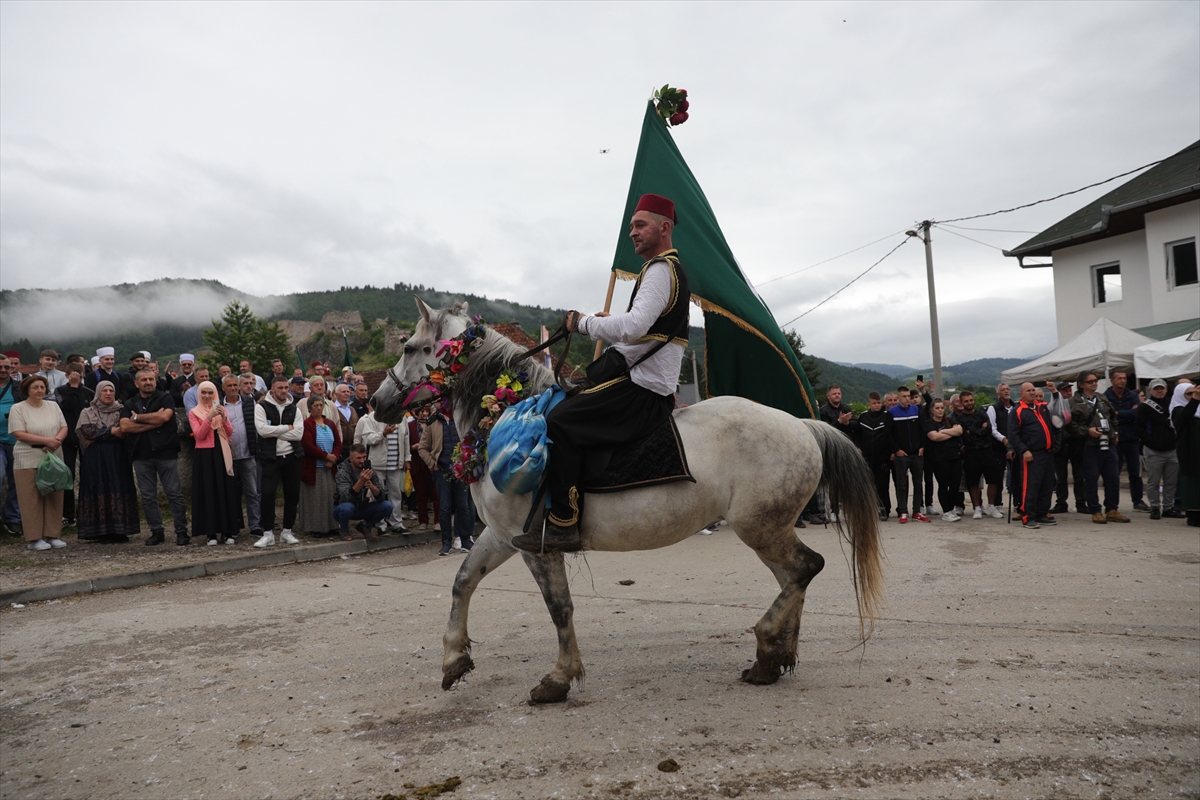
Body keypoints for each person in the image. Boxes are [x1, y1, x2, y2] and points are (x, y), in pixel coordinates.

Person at [513, 193, 687, 552]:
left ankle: (564, 523)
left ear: (664, 227)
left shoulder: (659, 270)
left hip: (641, 389)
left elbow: (635, 325)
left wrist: (584, 324)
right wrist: (610, 323)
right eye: (631, 227)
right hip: (641, 381)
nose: (632, 233)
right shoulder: (666, 270)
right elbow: (642, 328)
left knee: (560, 421)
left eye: (640, 225)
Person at [121, 369, 190, 545]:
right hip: (141, 455)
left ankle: (181, 531)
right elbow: (125, 427)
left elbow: (166, 417)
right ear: (137, 383)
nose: (148, 382)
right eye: (144, 379)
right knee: (148, 496)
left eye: (151, 379)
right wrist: (154, 421)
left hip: (166, 452)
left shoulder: (165, 398)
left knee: (174, 494)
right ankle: (156, 531)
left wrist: (137, 418)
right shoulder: (129, 403)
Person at [8, 375, 69, 550]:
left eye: (42, 387)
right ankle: (34, 538)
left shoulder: (53, 406)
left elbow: (64, 427)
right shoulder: (18, 408)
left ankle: (53, 535)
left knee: (54, 496)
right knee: (31, 499)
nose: (39, 390)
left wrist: (55, 440)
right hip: (28, 457)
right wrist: (46, 441)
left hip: (53, 456)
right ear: (27, 389)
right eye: (35, 387)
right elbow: (19, 433)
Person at [75, 381, 140, 542]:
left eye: (111, 390)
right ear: (98, 392)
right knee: (98, 487)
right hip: (95, 458)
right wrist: (113, 431)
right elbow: (88, 432)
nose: (108, 393)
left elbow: (125, 431)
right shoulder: (87, 411)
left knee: (118, 486)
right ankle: (99, 531)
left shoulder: (121, 410)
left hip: (117, 456)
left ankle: (120, 530)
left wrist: (103, 434)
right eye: (105, 390)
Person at [1067, 371, 1129, 525]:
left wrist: (1115, 433)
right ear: (1081, 384)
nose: (1094, 384)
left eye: (1095, 381)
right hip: (1089, 446)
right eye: (1090, 382)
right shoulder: (1073, 402)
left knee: (1113, 478)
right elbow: (1070, 426)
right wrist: (1087, 431)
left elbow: (1113, 418)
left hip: (1108, 444)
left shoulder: (1102, 398)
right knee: (1091, 479)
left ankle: (1112, 510)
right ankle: (1095, 510)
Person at [185, 381, 240, 545]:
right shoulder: (194, 412)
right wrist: (209, 418)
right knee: (208, 491)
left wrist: (223, 418)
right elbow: (199, 434)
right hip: (205, 454)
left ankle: (228, 531)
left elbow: (229, 432)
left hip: (221, 450)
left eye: (210, 393)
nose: (207, 396)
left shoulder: (221, 409)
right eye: (204, 393)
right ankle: (211, 533)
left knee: (226, 489)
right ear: (199, 394)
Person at [254, 376, 304, 547]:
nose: (283, 391)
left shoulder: (294, 409)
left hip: (292, 457)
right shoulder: (261, 407)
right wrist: (286, 428)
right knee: (267, 495)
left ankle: (287, 531)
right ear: (272, 389)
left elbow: (298, 434)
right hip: (270, 458)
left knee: (292, 495)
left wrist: (274, 431)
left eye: (285, 388)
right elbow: (262, 430)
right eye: (280, 388)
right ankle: (268, 533)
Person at [419, 404, 474, 555]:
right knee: (444, 508)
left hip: (461, 470)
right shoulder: (432, 422)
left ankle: (466, 540)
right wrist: (433, 464)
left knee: (463, 506)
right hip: (441, 470)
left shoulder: (461, 419)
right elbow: (422, 448)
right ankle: (446, 542)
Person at [1008, 382, 1059, 529]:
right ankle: (1027, 516)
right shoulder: (1017, 411)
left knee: (1047, 485)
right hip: (1031, 454)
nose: (1032, 392)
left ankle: (1041, 513)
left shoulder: (1042, 407)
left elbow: (1058, 407)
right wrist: (1024, 450)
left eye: (1033, 390)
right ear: (1021, 394)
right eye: (1028, 390)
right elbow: (1013, 435)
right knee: (1031, 486)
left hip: (1047, 453)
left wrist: (1054, 391)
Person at [355, 397, 409, 533]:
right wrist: (383, 433)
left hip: (396, 463)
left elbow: (406, 439)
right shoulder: (373, 417)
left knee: (396, 494)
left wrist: (407, 459)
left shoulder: (401, 417)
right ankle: (380, 524)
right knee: (377, 494)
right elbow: (368, 439)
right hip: (378, 463)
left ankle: (397, 523)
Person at [222, 374, 263, 539]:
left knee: (252, 492)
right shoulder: (219, 405)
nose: (232, 388)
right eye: (229, 385)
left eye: (234, 385)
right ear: (223, 387)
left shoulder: (248, 403)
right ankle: (234, 526)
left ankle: (255, 525)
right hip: (229, 457)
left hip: (248, 454)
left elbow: (255, 426)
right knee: (232, 494)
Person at [954, 390, 1004, 520]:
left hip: (987, 450)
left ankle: (991, 506)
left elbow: (988, 430)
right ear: (961, 402)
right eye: (966, 401)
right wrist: (979, 430)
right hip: (971, 452)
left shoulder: (982, 413)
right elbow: (966, 437)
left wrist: (973, 431)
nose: (969, 403)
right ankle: (977, 507)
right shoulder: (959, 419)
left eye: (971, 400)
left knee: (993, 480)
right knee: (973, 481)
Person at [53, 363, 93, 526]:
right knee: (68, 476)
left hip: (86, 439)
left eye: (79, 373)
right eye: (73, 373)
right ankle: (68, 515)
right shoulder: (60, 391)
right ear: (67, 375)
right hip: (67, 439)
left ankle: (86, 512)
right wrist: (74, 387)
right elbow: (67, 406)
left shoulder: (89, 393)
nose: (76, 376)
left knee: (88, 476)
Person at [1137, 379, 1183, 520]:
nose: (1159, 391)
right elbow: (1139, 428)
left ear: (1166, 389)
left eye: (1161, 388)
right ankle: (1155, 507)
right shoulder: (1144, 407)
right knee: (1153, 481)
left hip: (1172, 449)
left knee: (1171, 482)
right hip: (1153, 451)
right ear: (1150, 390)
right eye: (1156, 388)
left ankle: (1168, 507)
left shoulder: (1173, 403)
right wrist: (1151, 442)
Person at [1104, 370, 1149, 512]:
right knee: (1113, 474)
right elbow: (1108, 416)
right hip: (1115, 440)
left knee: (1135, 472)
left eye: (1124, 378)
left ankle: (1138, 501)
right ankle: (1112, 504)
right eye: (1119, 378)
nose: (1122, 381)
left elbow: (1137, 413)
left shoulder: (1132, 395)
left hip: (1132, 439)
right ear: (1112, 380)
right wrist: (1127, 413)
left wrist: (1118, 413)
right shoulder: (1106, 396)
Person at [298, 395, 341, 538]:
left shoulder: (329, 423)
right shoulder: (307, 424)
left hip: (329, 467)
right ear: (309, 408)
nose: (318, 408)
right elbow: (308, 446)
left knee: (330, 497)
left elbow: (338, 443)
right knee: (315, 499)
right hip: (314, 467)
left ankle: (332, 525)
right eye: (315, 405)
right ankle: (315, 527)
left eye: (320, 405)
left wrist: (333, 458)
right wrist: (325, 456)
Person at [851, 392, 895, 521]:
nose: (877, 405)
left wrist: (893, 451)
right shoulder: (863, 417)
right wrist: (858, 446)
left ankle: (884, 509)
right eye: (874, 403)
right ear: (869, 404)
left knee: (882, 484)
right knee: (868, 484)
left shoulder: (887, 416)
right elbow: (857, 434)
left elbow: (892, 435)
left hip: (883, 457)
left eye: (879, 403)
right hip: (867, 457)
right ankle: (869, 509)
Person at [334, 444, 393, 540]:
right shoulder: (343, 472)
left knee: (387, 506)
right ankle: (344, 529)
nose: (362, 461)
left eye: (364, 457)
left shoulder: (369, 469)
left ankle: (365, 526)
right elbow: (345, 497)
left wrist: (372, 487)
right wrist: (361, 481)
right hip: (343, 507)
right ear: (351, 458)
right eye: (358, 458)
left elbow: (381, 496)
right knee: (347, 508)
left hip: (362, 506)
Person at [889, 387, 930, 523]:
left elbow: (922, 429)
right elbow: (888, 434)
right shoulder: (891, 412)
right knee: (902, 484)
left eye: (909, 396)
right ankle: (903, 511)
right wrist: (896, 450)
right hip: (902, 454)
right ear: (898, 398)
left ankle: (917, 510)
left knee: (918, 483)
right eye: (904, 396)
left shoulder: (916, 410)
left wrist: (922, 446)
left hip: (917, 453)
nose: (908, 399)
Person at [1044, 380, 1083, 514]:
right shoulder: (1053, 406)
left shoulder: (1076, 404)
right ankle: (1061, 503)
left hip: (1075, 442)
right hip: (1060, 444)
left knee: (1079, 475)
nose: (1069, 392)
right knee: (1061, 477)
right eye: (1065, 390)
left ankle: (1081, 502)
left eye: (1069, 390)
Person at [922, 398, 963, 521]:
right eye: (937, 408)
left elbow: (959, 431)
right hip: (939, 459)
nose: (940, 410)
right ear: (932, 410)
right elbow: (934, 437)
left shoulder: (949, 420)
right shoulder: (928, 423)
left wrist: (944, 431)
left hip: (954, 456)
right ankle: (946, 511)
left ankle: (951, 509)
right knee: (944, 484)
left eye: (941, 408)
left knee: (955, 484)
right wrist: (951, 432)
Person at [1171, 382, 1200, 527]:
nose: (1192, 396)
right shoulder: (1178, 410)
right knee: (1192, 482)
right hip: (1190, 452)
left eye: (1193, 393)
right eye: (1189, 394)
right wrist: (1195, 400)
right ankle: (1193, 515)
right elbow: (1184, 418)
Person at [408, 405, 439, 531]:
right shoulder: (410, 426)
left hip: (432, 462)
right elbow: (405, 444)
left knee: (436, 493)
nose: (424, 414)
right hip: (417, 462)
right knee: (420, 494)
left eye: (426, 411)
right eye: (421, 411)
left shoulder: (433, 424)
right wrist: (412, 447)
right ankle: (423, 521)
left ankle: (438, 520)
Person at [0, 354, 22, 533]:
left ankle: (13, 517)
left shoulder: (18, 387)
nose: (3, 370)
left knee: (17, 481)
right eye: (0, 367)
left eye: (6, 367)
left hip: (16, 440)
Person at [329, 383, 359, 458]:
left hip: (352, 447)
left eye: (348, 392)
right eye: (343, 392)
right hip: (338, 448)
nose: (346, 394)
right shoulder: (332, 409)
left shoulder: (353, 409)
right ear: (336, 394)